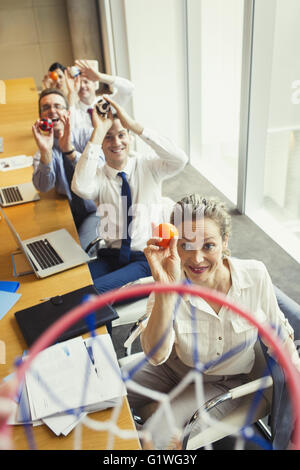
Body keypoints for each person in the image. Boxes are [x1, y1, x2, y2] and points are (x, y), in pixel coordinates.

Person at [124, 194, 300, 449]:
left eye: (208, 246)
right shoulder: (168, 281)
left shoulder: (255, 275)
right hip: (172, 367)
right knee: (103, 392)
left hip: (221, 381)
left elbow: (280, 342)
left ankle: (158, 413)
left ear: (224, 242)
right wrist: (166, 291)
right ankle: (156, 409)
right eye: (186, 246)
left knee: (155, 440)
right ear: (174, 244)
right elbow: (156, 356)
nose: (196, 260)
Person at [71, 96, 188, 295]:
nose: (116, 142)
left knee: (93, 294)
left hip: (146, 257)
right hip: (110, 255)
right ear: (101, 142)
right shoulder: (99, 177)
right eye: (108, 137)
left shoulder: (148, 166)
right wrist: (97, 133)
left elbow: (180, 159)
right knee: (69, 285)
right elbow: (80, 186)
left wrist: (134, 125)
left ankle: (95, 325)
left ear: (130, 137)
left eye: (122, 135)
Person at [32, 88, 104, 250]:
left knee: (82, 252)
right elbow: (43, 186)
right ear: (41, 117)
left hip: (97, 209)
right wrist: (46, 153)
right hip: (69, 211)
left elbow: (100, 170)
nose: (52, 111)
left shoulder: (88, 135)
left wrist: (70, 151)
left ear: (68, 113)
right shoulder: (44, 149)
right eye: (46, 108)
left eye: (58, 106)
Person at [67, 60, 135, 131]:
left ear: (95, 84)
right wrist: (72, 94)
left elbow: (129, 88)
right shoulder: (73, 110)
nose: (82, 86)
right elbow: (70, 133)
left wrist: (100, 77)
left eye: (86, 82)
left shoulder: (106, 102)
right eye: (78, 83)